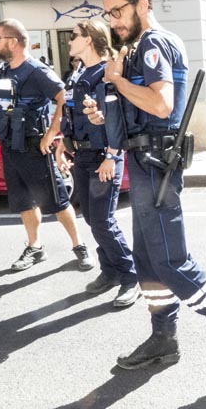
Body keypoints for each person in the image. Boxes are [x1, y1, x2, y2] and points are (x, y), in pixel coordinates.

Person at [85, 0, 206, 386]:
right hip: (144, 160)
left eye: (119, 10)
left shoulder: (152, 44)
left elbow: (163, 105)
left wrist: (116, 81)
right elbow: (138, 107)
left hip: (155, 162)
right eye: (108, 13)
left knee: (171, 261)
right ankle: (163, 339)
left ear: (142, 4)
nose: (113, 20)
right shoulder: (136, 47)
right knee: (147, 260)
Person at [0, 18, 94, 272]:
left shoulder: (36, 71)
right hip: (10, 146)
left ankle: (79, 246)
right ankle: (35, 248)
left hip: (35, 147)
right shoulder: (4, 72)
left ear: (13, 42)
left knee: (57, 200)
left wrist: (52, 133)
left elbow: (63, 98)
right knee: (24, 201)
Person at [55, 19, 140, 306]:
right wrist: (61, 146)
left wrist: (112, 156)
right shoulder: (78, 74)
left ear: (89, 39)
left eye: (74, 36)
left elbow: (114, 117)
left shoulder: (106, 72)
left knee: (103, 220)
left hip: (103, 155)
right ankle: (110, 271)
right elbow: (69, 114)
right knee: (92, 219)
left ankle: (130, 277)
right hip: (82, 155)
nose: (69, 41)